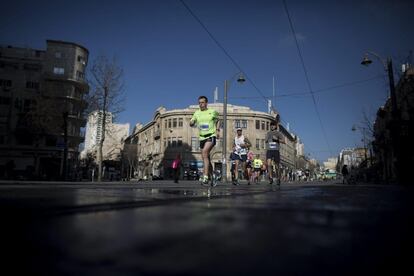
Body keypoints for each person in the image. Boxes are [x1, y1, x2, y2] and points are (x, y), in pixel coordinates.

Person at [189, 96, 220, 185]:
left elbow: (218, 120)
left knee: (205, 153)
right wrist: (191, 123)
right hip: (202, 137)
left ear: (206, 103)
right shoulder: (197, 113)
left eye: (202, 102)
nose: (201, 104)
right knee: (206, 158)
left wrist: (217, 130)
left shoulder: (212, 112)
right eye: (199, 103)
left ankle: (205, 176)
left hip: (211, 135)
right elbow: (192, 121)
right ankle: (212, 176)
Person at [265, 117, 285, 185]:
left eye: (273, 125)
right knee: (268, 164)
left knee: (277, 165)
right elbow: (266, 141)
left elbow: (284, 141)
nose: (272, 126)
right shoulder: (268, 133)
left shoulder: (278, 133)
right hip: (269, 150)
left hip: (276, 150)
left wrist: (277, 139)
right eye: (271, 125)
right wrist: (266, 139)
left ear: (275, 126)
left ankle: (278, 178)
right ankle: (270, 178)